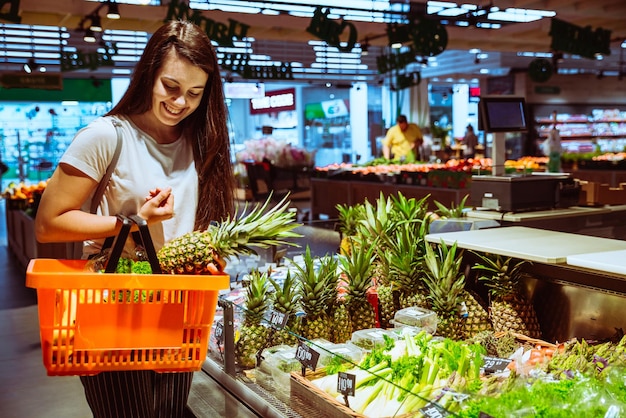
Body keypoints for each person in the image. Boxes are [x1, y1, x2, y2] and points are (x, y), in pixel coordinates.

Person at [34, 20, 235, 418]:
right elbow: (48, 222)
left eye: (195, 93)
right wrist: (129, 224)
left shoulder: (200, 141)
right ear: (148, 76)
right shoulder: (107, 136)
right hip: (114, 308)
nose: (181, 103)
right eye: (171, 87)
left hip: (178, 309)